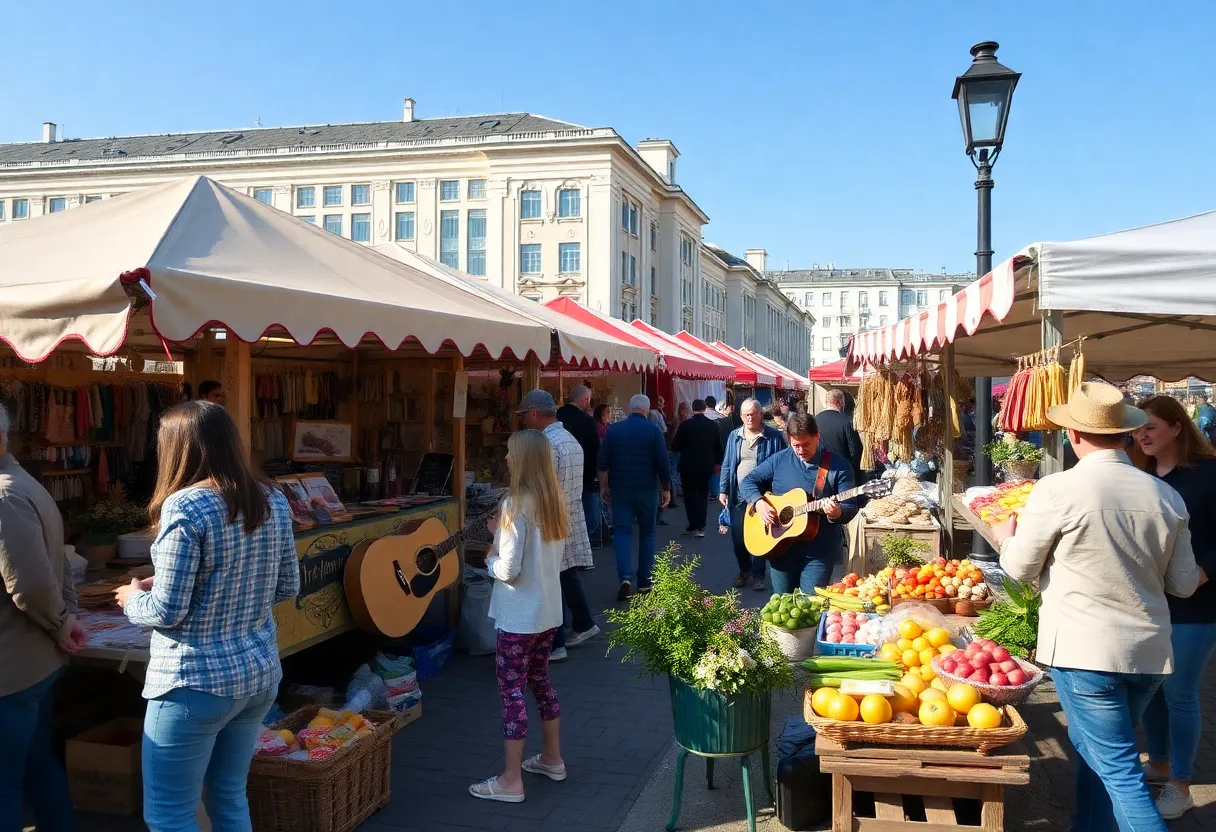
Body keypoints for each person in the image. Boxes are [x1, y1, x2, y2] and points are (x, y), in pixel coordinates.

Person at [993, 382, 1204, 832]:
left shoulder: (1058, 490)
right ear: (1126, 434)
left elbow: (1019, 568)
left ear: (1073, 435)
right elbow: (1185, 585)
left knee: (1120, 772)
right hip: (1147, 653)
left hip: (1085, 652)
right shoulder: (1166, 495)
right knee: (1097, 756)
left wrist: (1004, 537)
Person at [114, 401, 299, 830]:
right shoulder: (272, 498)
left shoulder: (186, 507)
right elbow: (288, 585)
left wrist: (130, 599)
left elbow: (167, 609)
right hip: (257, 673)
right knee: (229, 797)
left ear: (176, 449)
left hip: (193, 680)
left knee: (170, 813)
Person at [0, 405, 88, 831]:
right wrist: (65, 618)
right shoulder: (22, 485)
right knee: (37, 768)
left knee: (7, 785)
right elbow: (61, 565)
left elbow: (32, 584)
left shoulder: (4, 494)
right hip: (32, 663)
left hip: (12, 669)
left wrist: (60, 621)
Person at [471, 429, 567, 803]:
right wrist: (501, 537)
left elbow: (509, 569)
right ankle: (552, 758)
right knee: (541, 680)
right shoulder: (553, 500)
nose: (507, 459)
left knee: (512, 692)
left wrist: (491, 556)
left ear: (523, 460)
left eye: (511, 453)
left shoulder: (516, 504)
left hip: (518, 616)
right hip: (547, 611)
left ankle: (511, 780)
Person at [1133, 395, 1216, 819]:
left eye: (1150, 426)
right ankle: (1161, 762)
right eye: (1137, 428)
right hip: (1150, 599)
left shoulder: (1208, 474)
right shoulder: (1139, 473)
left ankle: (1180, 784)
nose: (1142, 435)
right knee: (1155, 692)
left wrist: (1205, 570)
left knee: (1180, 691)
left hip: (1196, 604)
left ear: (1177, 428)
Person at [518, 391, 599, 663]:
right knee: (564, 575)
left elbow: (541, 488)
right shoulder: (568, 439)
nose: (522, 420)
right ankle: (584, 622)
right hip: (567, 516)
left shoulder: (547, 444)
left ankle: (557, 642)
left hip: (551, 520)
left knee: (552, 580)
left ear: (534, 413)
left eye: (523, 415)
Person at [739, 412, 857, 593]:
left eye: (806, 444)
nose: (801, 451)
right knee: (782, 605)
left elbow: (849, 506)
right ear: (788, 439)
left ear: (817, 436)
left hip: (819, 551)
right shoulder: (781, 459)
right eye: (796, 445)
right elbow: (748, 481)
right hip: (779, 547)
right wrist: (758, 502)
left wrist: (837, 512)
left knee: (810, 605)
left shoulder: (839, 466)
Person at [598, 394, 672, 600]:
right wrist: (666, 488)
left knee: (621, 533)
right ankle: (645, 582)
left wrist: (603, 486)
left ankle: (625, 576)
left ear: (630, 408)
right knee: (647, 534)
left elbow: (602, 461)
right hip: (647, 489)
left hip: (621, 489)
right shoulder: (653, 431)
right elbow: (662, 462)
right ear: (646, 409)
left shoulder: (614, 430)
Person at [719, 399, 786, 590]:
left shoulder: (773, 437)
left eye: (752, 414)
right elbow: (727, 463)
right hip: (739, 496)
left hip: (764, 496)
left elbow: (781, 465)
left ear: (760, 414)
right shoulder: (735, 436)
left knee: (759, 537)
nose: (749, 417)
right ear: (741, 416)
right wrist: (723, 489)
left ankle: (758, 576)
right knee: (739, 538)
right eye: (745, 414)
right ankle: (744, 570)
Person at [671, 400, 722, 539]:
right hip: (706, 465)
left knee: (690, 496)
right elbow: (718, 446)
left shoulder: (685, 425)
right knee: (703, 494)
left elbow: (675, 446)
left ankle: (693, 523)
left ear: (693, 409)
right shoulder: (713, 425)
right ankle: (701, 525)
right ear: (705, 408)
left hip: (688, 465)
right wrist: (717, 463)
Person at [556, 385, 601, 545]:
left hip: (558, 472)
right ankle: (580, 546)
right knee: (586, 516)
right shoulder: (587, 420)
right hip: (584, 474)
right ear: (585, 399)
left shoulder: (557, 415)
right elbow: (595, 449)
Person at [816, 389, 863, 482]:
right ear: (841, 403)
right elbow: (856, 451)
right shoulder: (847, 422)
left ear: (826, 401)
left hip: (820, 471)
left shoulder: (814, 420)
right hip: (843, 472)